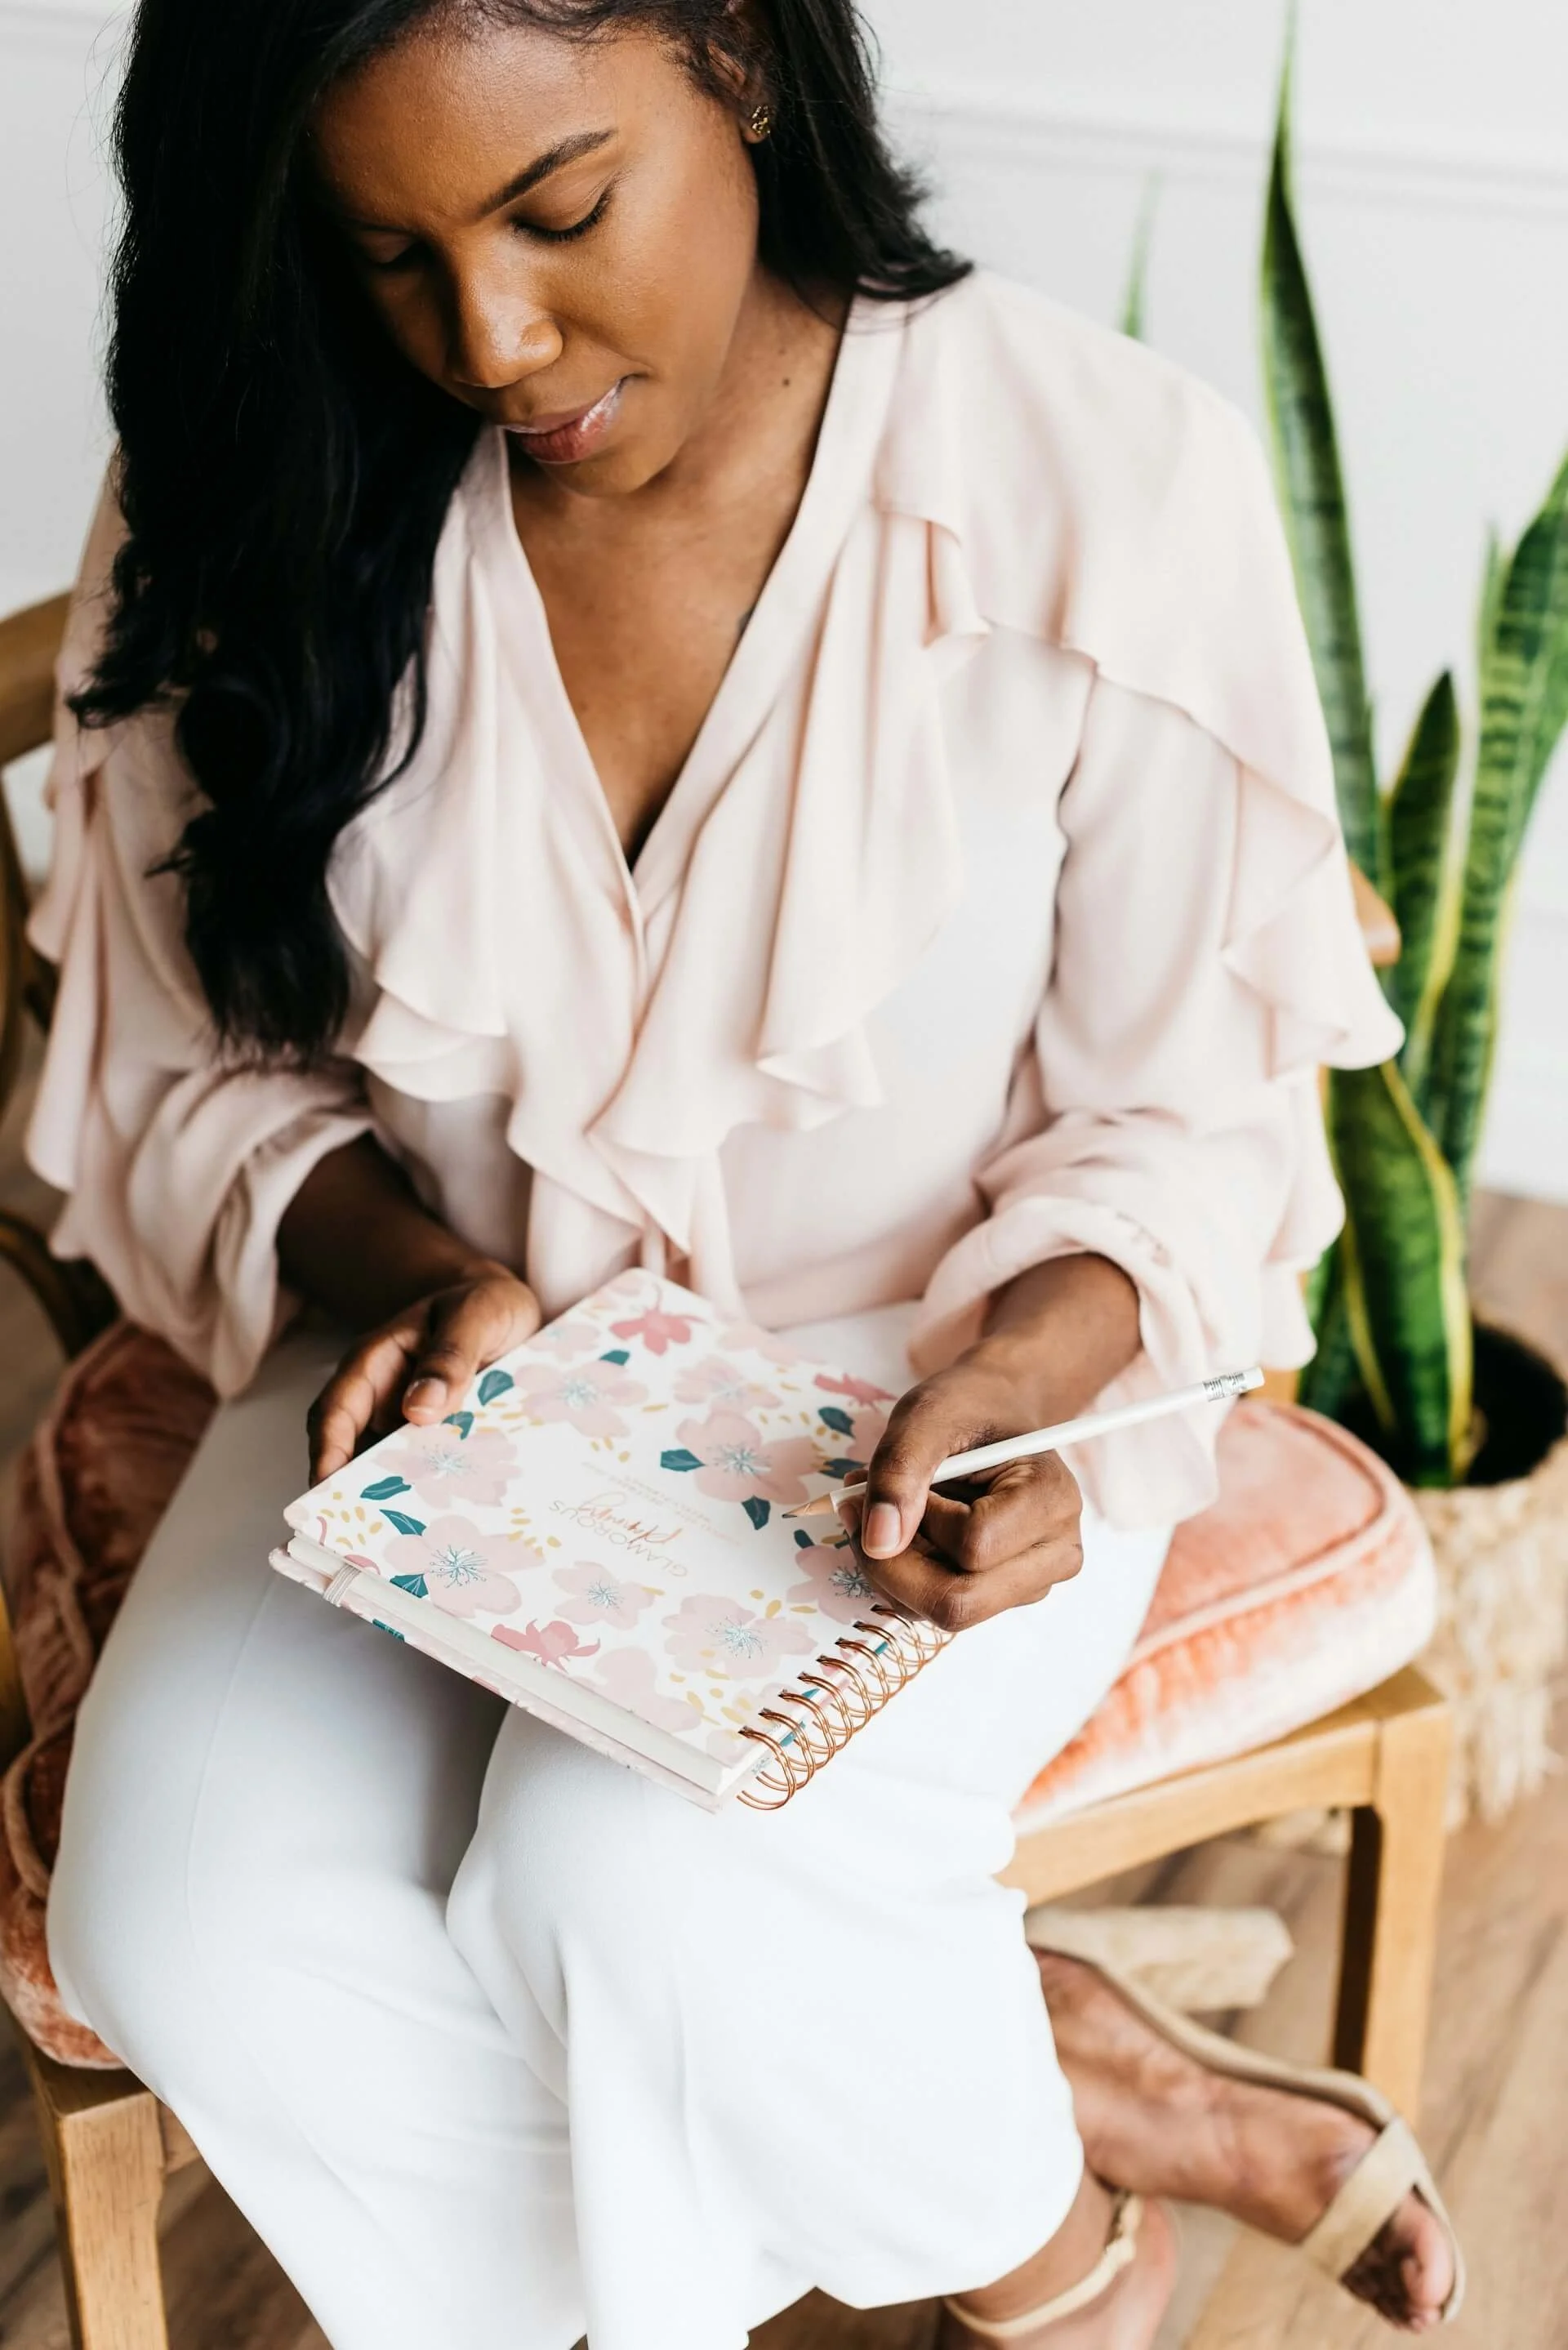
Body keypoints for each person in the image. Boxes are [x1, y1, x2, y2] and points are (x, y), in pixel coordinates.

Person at [30, 0, 1458, 2342]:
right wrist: (396, 1257)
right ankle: (1020, 2127)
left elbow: (1187, 1117)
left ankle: (1027, 2219)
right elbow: (195, 1066)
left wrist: (1040, 1352)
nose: (488, 337)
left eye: (558, 207)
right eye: (383, 250)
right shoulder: (249, 474)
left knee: (644, 1894)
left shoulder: (1108, 485)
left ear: (744, 57)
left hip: (914, 1404)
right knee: (182, 1921)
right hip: (442, 1398)